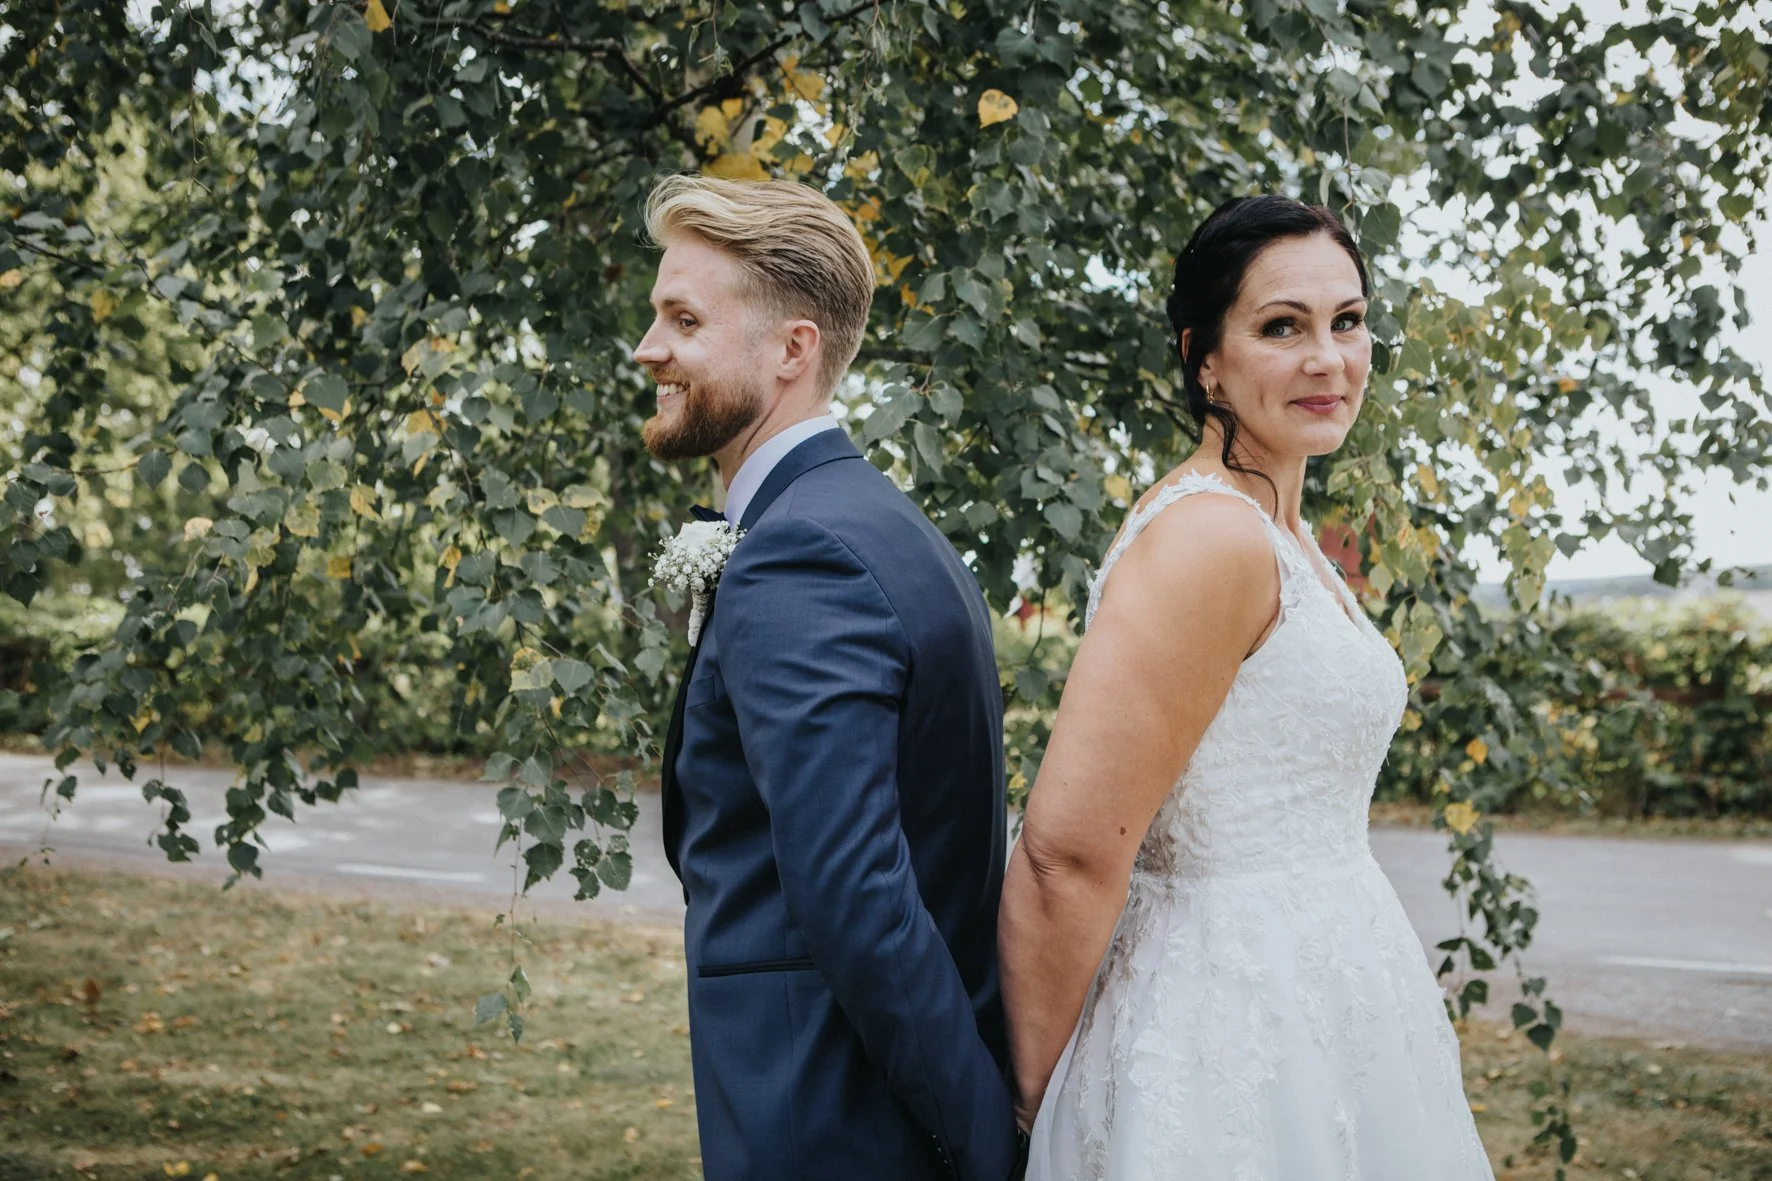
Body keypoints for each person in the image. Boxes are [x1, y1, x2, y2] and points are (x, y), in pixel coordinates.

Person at [1000, 195, 1495, 1180]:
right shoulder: (1209, 537)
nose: (1327, 359)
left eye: (1346, 321)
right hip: (1220, 1026)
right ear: (1203, 359)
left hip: (1329, 1005)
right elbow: (1065, 853)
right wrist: (1024, 1109)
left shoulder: (1277, 529)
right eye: (1281, 327)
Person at [637, 175, 1023, 1181]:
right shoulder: (877, 523)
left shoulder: (803, 555)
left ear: (792, 350)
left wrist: (982, 1143)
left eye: (683, 319)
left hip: (827, 1123)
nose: (647, 347)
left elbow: (860, 899)